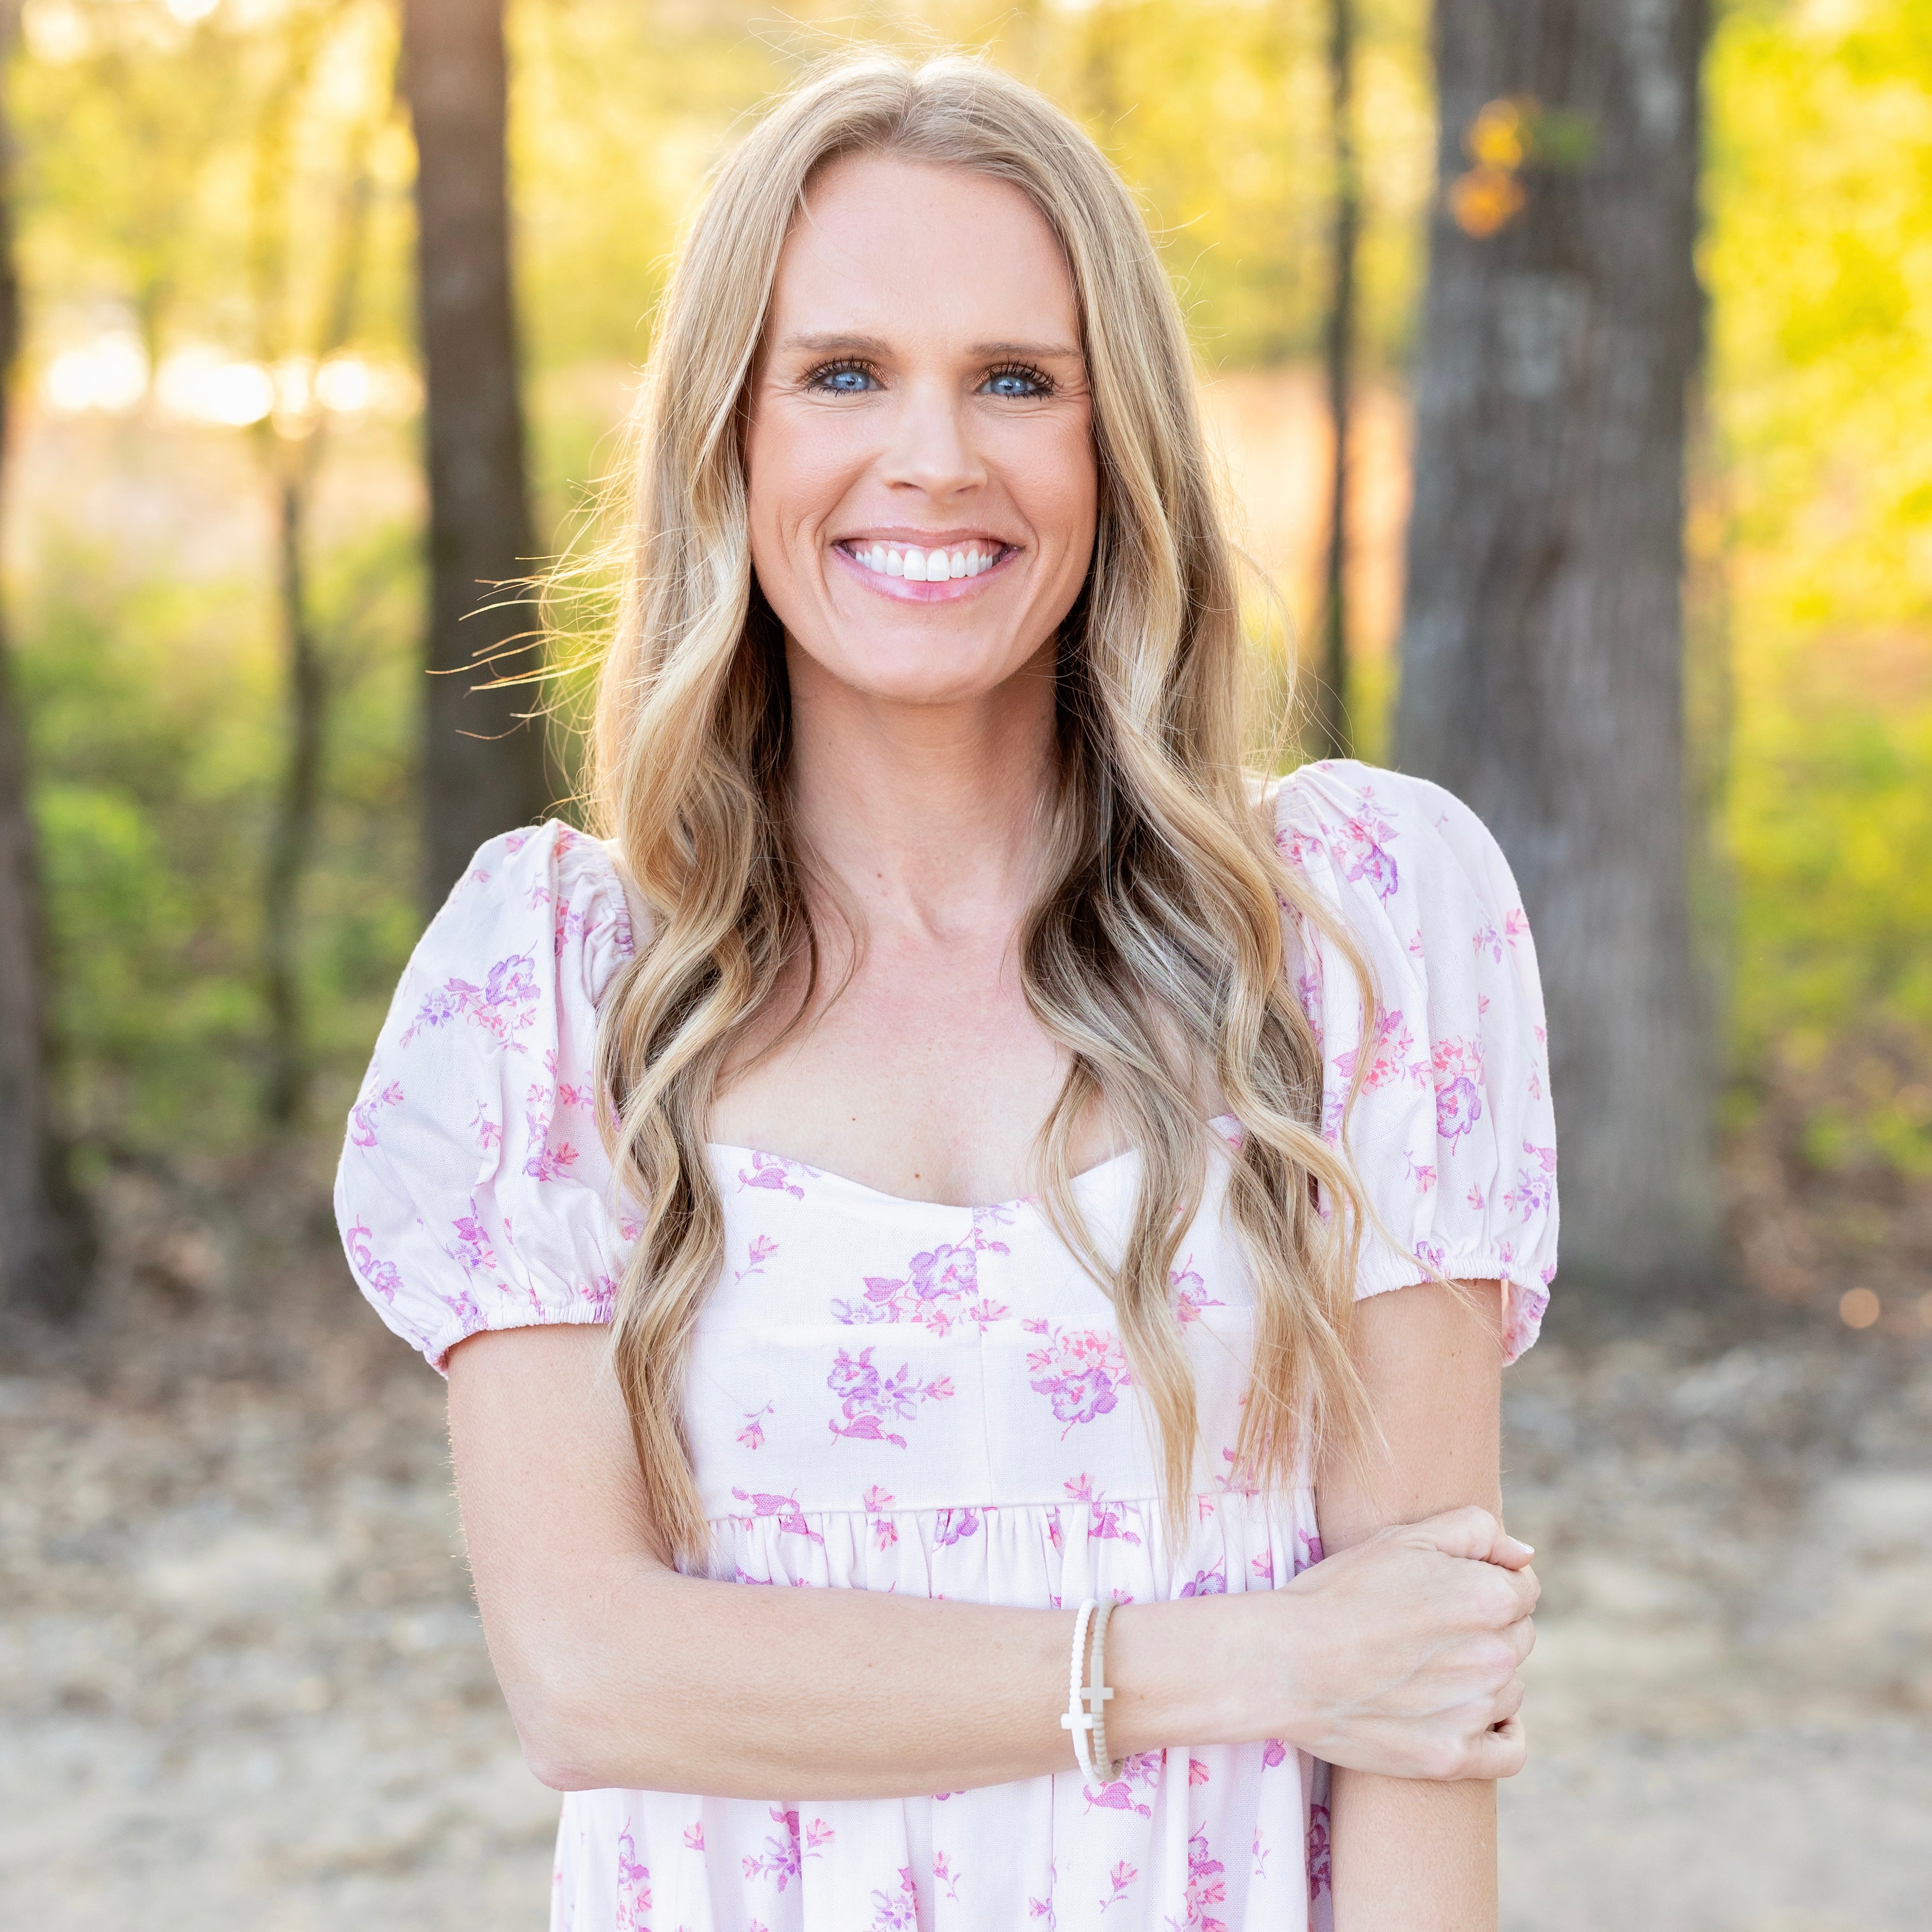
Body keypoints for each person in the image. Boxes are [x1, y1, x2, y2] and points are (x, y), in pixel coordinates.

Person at [337, 52, 1557, 1931]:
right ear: (728, 440)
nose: (934, 459)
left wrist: (1346, 1664)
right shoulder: (558, 987)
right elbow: (587, 1677)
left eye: (1017, 380)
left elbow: (1418, 1700)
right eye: (842, 374)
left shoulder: (1359, 929)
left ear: (1113, 441)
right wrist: (1239, 1665)